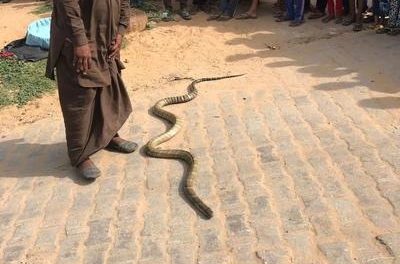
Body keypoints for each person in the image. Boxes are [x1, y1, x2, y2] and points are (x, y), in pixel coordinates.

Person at [46, 0, 138, 180]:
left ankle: (109, 135)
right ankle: (79, 154)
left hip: (106, 37)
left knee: (108, 87)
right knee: (81, 95)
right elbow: (67, 4)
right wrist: (80, 41)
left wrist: (120, 29)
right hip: (79, 38)